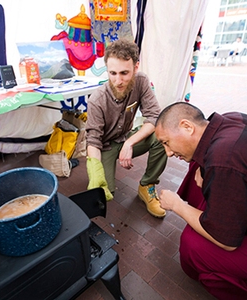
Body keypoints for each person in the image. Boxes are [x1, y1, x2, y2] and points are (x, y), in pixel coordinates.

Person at [154, 102, 247, 299]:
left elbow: (227, 243)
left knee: (192, 245)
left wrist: (176, 205)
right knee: (196, 165)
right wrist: (206, 169)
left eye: (166, 142)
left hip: (231, 236)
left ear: (188, 127)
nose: (168, 153)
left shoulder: (223, 159)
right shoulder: (227, 121)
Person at [85, 39, 167, 218]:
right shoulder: (97, 100)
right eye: (112, 73)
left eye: (124, 73)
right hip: (104, 146)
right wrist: (95, 172)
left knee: (163, 137)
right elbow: (93, 141)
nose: (118, 80)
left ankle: (147, 185)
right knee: (104, 195)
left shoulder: (141, 81)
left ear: (136, 67)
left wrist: (130, 143)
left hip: (125, 137)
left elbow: (154, 116)